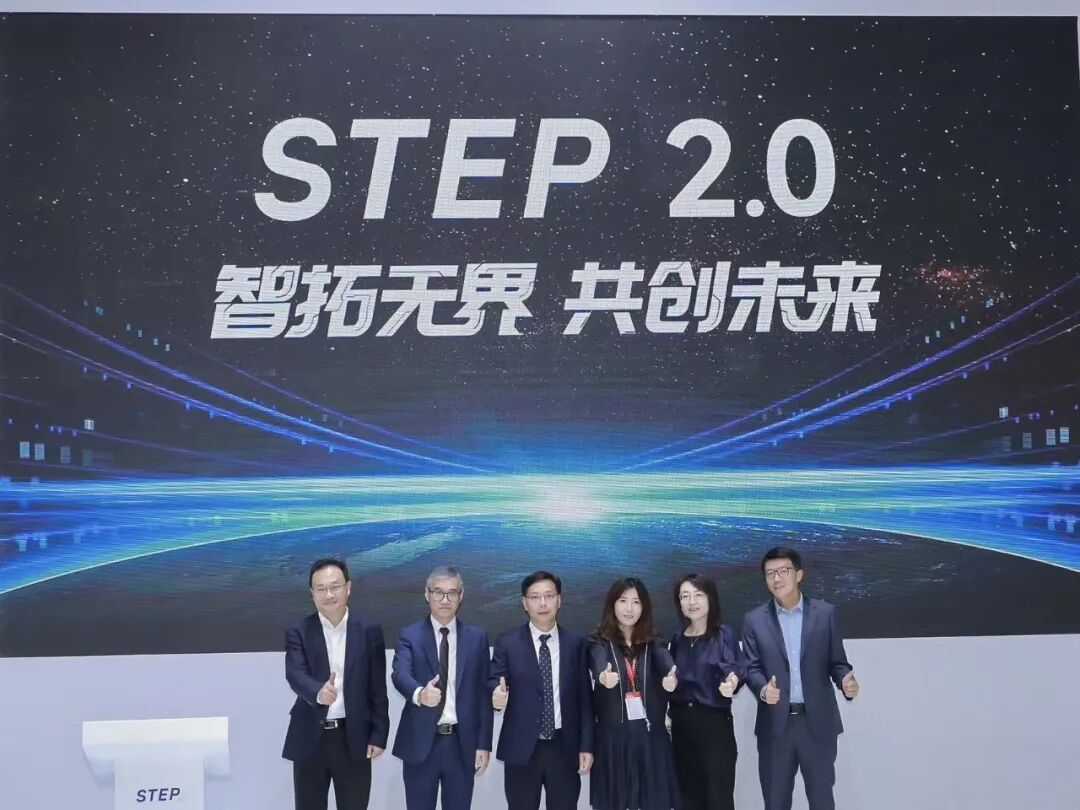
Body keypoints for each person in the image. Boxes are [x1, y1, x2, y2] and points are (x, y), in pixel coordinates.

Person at [741, 548, 859, 810]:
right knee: (775, 802)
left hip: (817, 724)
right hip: (775, 727)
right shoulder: (754, 620)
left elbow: (838, 663)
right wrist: (763, 690)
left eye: (783, 571)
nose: (777, 578)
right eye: (770, 573)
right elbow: (751, 668)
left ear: (799, 575)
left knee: (822, 800)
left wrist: (846, 682)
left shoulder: (825, 613)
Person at [283, 558, 390, 810]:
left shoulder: (369, 630)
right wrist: (318, 692)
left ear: (348, 588)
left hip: (353, 737)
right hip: (311, 738)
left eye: (335, 587)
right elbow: (295, 674)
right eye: (321, 589)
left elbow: (377, 687)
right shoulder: (299, 630)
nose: (329, 594)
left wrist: (379, 734)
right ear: (311, 593)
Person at [489, 570, 595, 810]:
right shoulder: (508, 642)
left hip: (564, 747)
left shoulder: (576, 643)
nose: (543, 603)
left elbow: (585, 699)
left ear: (559, 600)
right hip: (522, 749)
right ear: (525, 603)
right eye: (535, 597)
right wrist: (495, 694)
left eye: (549, 595)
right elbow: (494, 679)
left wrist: (587, 745)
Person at [391, 567, 494, 810]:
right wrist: (420, 694)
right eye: (438, 592)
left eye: (452, 593)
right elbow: (400, 674)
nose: (445, 600)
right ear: (427, 594)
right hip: (420, 745)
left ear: (461, 595)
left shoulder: (477, 638)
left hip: (462, 744)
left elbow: (483, 693)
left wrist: (484, 743)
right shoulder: (409, 635)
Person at [587, 577, 679, 810]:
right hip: (613, 739)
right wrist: (602, 676)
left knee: (654, 802)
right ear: (612, 604)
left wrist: (671, 677)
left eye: (636, 602)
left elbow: (665, 661)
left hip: (650, 736)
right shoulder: (599, 640)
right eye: (623, 600)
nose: (629, 608)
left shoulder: (653, 640)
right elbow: (598, 661)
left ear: (644, 607)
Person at [668, 573, 744, 810]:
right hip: (682, 727)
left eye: (698, 595)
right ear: (679, 604)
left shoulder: (723, 634)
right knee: (686, 797)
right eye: (685, 596)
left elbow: (734, 668)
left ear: (710, 598)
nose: (692, 602)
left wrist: (731, 683)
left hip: (714, 726)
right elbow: (672, 679)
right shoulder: (677, 640)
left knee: (717, 796)